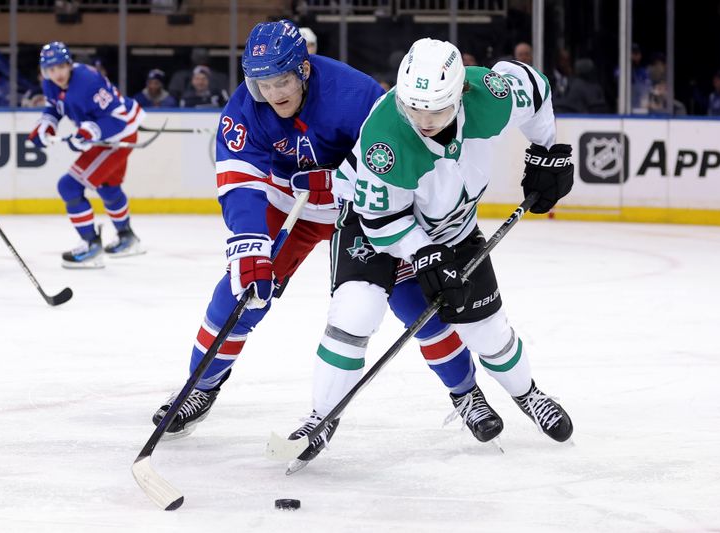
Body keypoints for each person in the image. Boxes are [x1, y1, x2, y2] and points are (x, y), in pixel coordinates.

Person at [151, 21, 497, 447]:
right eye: (263, 84)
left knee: (414, 302)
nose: (274, 94)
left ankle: (467, 393)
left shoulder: (356, 94)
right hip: (286, 205)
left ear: (304, 71)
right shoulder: (245, 109)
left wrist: (337, 182)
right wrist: (251, 245)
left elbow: (396, 159)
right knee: (243, 291)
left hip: (363, 210)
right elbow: (241, 181)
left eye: (282, 81)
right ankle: (199, 388)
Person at [289, 39, 575, 465]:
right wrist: (422, 253)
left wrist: (546, 149)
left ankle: (528, 395)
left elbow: (535, 89)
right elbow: (382, 224)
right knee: (356, 311)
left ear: (461, 94)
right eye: (414, 107)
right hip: (375, 226)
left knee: (487, 332)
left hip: (452, 229)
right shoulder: (384, 139)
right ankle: (321, 416)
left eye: (436, 110)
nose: (423, 120)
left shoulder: (491, 96)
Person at [28, 42, 146, 268]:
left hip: (118, 136)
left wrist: (88, 132)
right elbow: (54, 108)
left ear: (69, 64)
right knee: (108, 186)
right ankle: (127, 237)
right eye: (51, 70)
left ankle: (91, 245)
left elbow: (116, 119)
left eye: (61, 67)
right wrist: (45, 126)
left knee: (69, 186)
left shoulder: (88, 81)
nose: (57, 74)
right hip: (106, 139)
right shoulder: (50, 84)